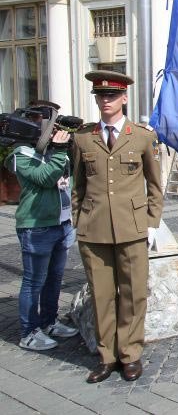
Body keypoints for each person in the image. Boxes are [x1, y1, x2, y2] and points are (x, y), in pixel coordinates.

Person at [72, 70, 164, 383]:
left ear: (124, 98)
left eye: (112, 95)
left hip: (133, 229)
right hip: (94, 230)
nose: (106, 100)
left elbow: (155, 186)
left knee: (133, 294)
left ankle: (130, 355)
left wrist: (151, 224)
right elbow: (78, 186)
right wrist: (78, 221)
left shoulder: (141, 137)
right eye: (101, 95)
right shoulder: (83, 137)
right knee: (101, 295)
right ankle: (106, 356)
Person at [6, 102, 79, 351]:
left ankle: (48, 322)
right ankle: (28, 332)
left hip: (61, 223)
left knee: (54, 279)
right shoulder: (20, 153)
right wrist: (59, 150)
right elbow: (45, 178)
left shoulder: (53, 151)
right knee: (34, 281)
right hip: (36, 226)